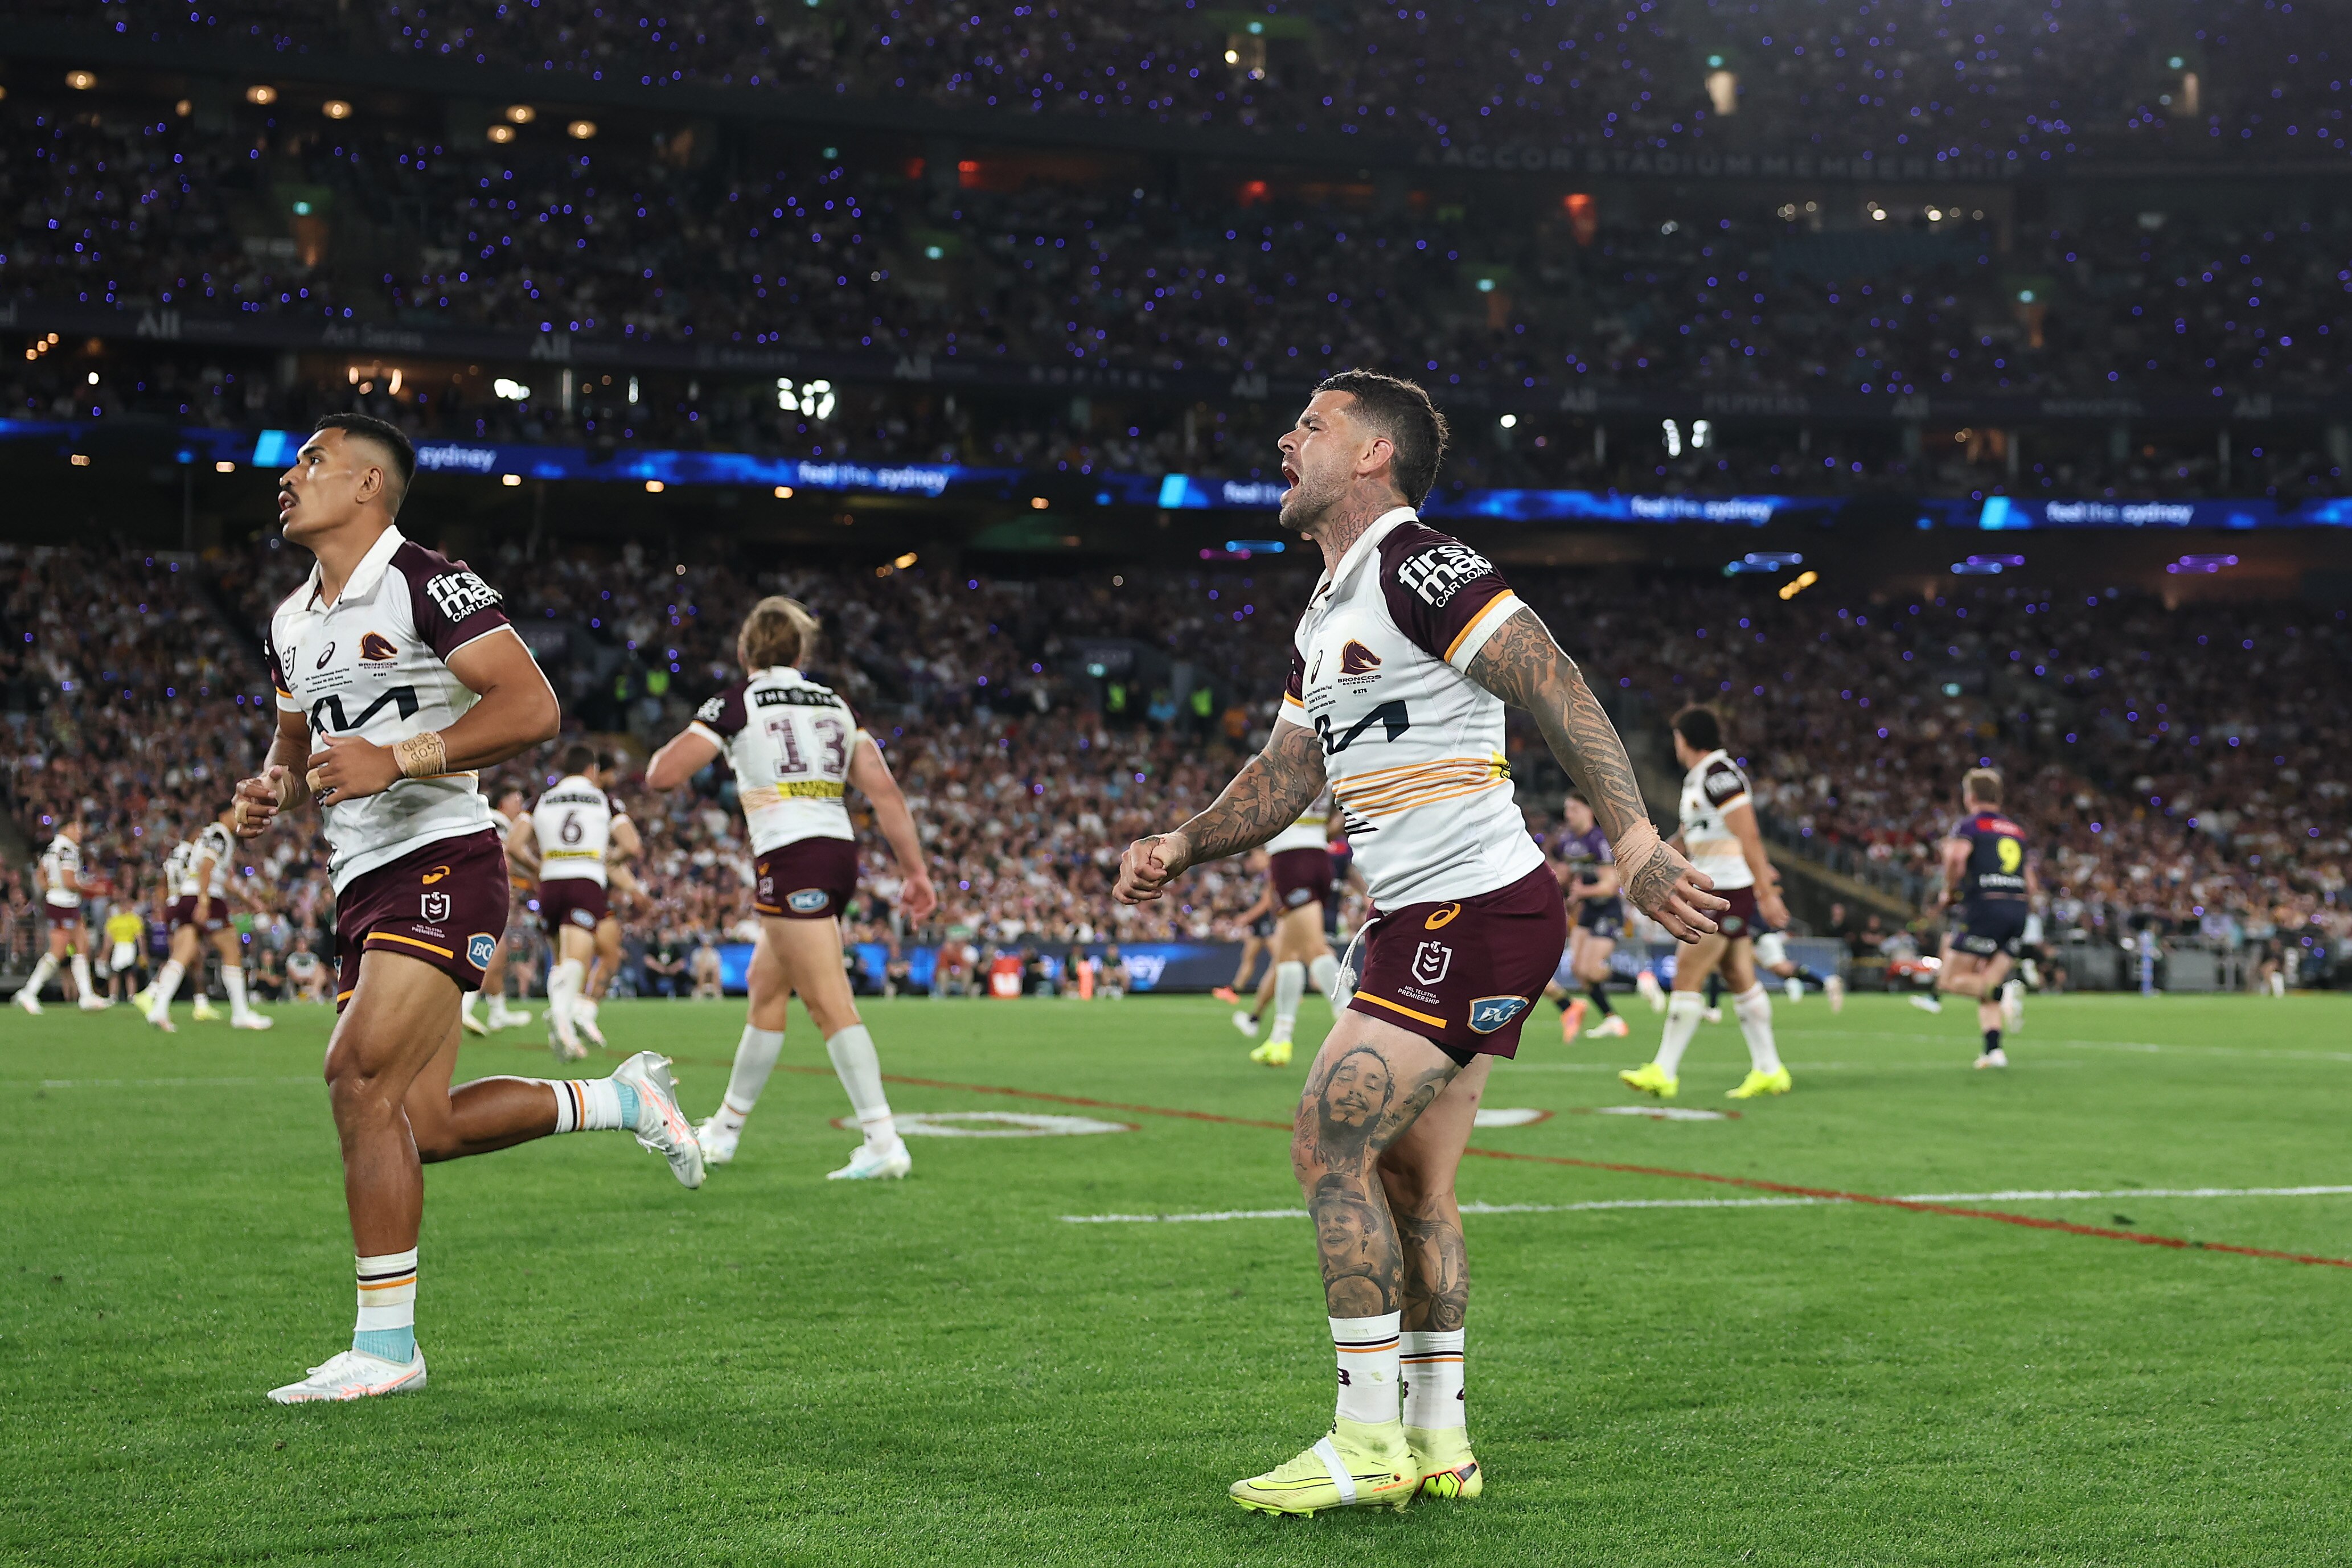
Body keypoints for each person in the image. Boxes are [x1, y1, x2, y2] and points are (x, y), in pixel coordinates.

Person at [1113, 371, 1721, 1515]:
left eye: (1311, 425)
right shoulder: (1327, 607)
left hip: (1467, 910)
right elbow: (1286, 776)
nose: (1285, 438)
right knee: (1412, 1183)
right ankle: (1438, 1438)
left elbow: (1553, 681)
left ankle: (1362, 1440)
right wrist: (1181, 844)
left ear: (1372, 457)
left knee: (1322, 1138)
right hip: (1435, 917)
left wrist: (1634, 838)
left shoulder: (1415, 564)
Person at [231, 413, 703, 1405]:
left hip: (444, 855)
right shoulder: (288, 619)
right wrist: (269, 786)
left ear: (368, 484)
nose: (290, 476)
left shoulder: (424, 579)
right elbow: (291, 734)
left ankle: (388, 1345)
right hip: (360, 879)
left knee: (356, 1075)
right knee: (423, 1120)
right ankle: (618, 1099)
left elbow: (532, 707)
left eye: (311, 461)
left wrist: (395, 758)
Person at [646, 594, 938, 1179]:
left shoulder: (738, 701)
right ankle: (725, 1133)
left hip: (792, 856)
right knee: (764, 986)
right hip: (836, 852)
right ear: (802, 651)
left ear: (744, 650)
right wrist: (916, 873)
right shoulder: (835, 704)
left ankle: (883, 1141)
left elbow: (662, 775)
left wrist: (713, 726)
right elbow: (883, 792)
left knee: (830, 1004)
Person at [1620, 708, 1792, 1103]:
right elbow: (1692, 833)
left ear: (1685, 738)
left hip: (1728, 889)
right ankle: (1769, 1069)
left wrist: (1766, 893)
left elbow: (1748, 833)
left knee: (1687, 969)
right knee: (1737, 976)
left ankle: (1663, 1070)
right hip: (1719, 885)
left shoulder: (1720, 775)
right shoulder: (1700, 779)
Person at [512, 746, 640, 1057]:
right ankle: (564, 1024)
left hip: (551, 883)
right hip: (585, 880)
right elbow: (632, 845)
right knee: (577, 959)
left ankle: (562, 1019)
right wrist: (609, 858)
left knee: (558, 958)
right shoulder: (603, 799)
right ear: (591, 770)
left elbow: (514, 845)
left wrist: (537, 867)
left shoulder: (541, 798)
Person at [1911, 768, 2035, 1068]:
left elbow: (1955, 858)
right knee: (1983, 982)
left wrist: (1950, 891)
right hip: (2018, 910)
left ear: (1970, 796)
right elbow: (2031, 882)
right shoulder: (2016, 831)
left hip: (1985, 907)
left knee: (1951, 980)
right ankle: (1994, 1050)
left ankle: (2006, 993)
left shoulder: (1970, 825)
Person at [145, 806, 276, 1032]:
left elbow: (215, 874)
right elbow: (206, 868)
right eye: (238, 811)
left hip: (187, 896)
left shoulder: (208, 835)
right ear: (225, 813)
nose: (241, 818)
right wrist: (204, 902)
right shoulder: (219, 834)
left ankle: (159, 1008)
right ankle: (241, 1013)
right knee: (231, 949)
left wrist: (247, 900)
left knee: (182, 954)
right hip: (205, 897)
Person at [1544, 791, 1630, 1042]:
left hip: (1608, 908)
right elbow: (1565, 874)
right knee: (1579, 971)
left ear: (1588, 811)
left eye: (1574, 810)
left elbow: (1610, 886)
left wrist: (1582, 891)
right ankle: (1612, 1018)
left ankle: (1641, 979)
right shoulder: (1568, 841)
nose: (1568, 815)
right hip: (1588, 909)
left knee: (1590, 969)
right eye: (1567, 810)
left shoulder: (1599, 840)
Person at [460, 783, 534, 1036]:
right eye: (517, 799)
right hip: (485, 892)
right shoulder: (500, 823)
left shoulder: (483, 820)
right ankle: (463, 1007)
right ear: (503, 803)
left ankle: (498, 1011)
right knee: (489, 951)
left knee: (499, 953)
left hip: (475, 890)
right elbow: (503, 855)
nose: (520, 805)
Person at [13, 818, 107, 1014]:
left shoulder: (52, 848)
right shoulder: (68, 850)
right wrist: (93, 888)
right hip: (64, 903)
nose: (80, 834)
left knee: (82, 945)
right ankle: (29, 992)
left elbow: (40, 876)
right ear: (68, 829)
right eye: (78, 829)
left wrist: (51, 890)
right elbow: (69, 881)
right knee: (58, 950)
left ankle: (86, 995)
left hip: (63, 902)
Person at [1213, 848, 1275, 1005]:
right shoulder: (1261, 876)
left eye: (1254, 858)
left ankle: (1288, 991)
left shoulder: (1270, 873)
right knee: (1249, 957)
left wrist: (1246, 917)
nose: (1253, 863)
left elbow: (1266, 903)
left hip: (1269, 921)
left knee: (1281, 959)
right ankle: (1234, 990)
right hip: (1260, 923)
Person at [104, 900, 147, 1004]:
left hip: (129, 947)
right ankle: (113, 996)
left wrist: (143, 952)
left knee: (130, 973)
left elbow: (140, 937)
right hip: (118, 947)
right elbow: (109, 938)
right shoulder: (114, 920)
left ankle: (131, 996)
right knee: (114, 973)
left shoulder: (134, 919)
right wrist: (105, 952)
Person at [285, 933, 330, 1003]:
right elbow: (290, 972)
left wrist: (311, 978)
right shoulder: (292, 957)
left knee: (321, 970)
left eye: (304, 943)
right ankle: (315, 996)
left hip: (312, 979)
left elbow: (318, 969)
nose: (302, 945)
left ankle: (314, 993)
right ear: (296, 945)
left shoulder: (313, 957)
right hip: (299, 979)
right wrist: (303, 979)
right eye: (300, 943)